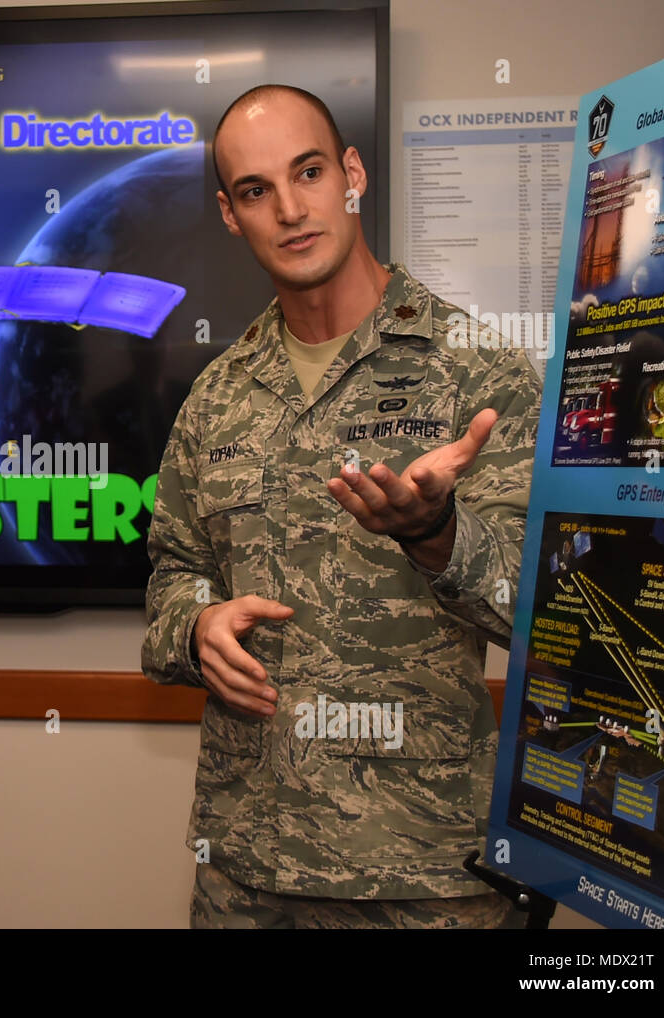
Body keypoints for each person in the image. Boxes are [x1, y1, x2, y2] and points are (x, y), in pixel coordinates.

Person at [141, 85, 542, 928]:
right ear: (230, 214)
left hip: (425, 876)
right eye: (256, 191)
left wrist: (437, 533)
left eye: (310, 171)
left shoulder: (479, 372)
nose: (290, 209)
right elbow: (173, 575)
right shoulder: (217, 396)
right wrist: (195, 628)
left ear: (352, 173)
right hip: (247, 871)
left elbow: (546, 610)